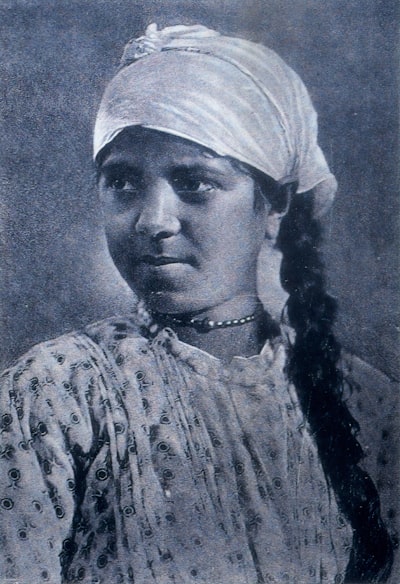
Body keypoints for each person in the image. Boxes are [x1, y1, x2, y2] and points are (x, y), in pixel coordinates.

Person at [0, 23, 393, 584]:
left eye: (195, 183)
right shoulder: (55, 393)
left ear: (274, 205)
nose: (154, 221)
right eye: (122, 183)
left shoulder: (369, 406)